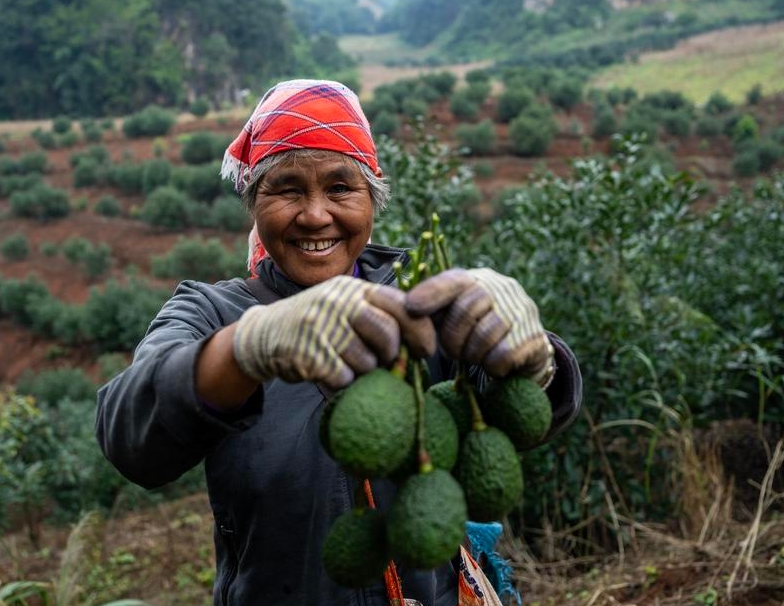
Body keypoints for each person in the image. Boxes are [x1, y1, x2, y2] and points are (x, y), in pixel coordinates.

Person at [95, 79, 582, 606]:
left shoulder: (422, 299)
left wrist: (536, 360)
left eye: (340, 188)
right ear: (253, 203)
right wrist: (245, 350)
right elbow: (129, 436)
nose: (315, 215)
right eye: (286, 189)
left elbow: (528, 415)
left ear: (372, 197)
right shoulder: (212, 313)